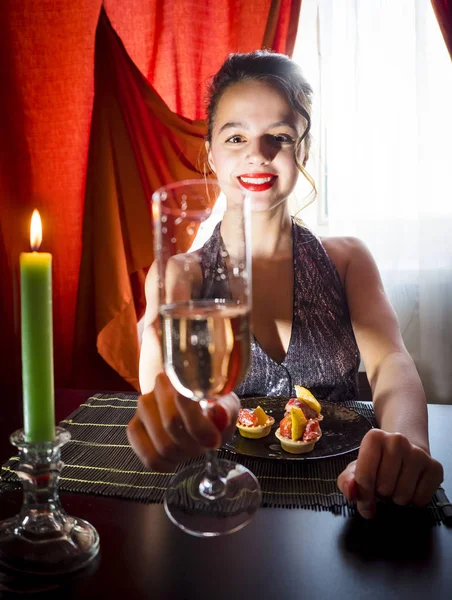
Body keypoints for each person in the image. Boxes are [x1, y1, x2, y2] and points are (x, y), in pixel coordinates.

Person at [128, 50, 443, 519]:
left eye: (279, 135)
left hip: (343, 497)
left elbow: (391, 363)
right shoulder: (179, 275)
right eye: (236, 136)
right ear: (211, 152)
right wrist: (172, 415)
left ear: (305, 150)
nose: (258, 153)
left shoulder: (347, 259)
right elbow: (160, 375)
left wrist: (406, 441)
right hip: (223, 508)